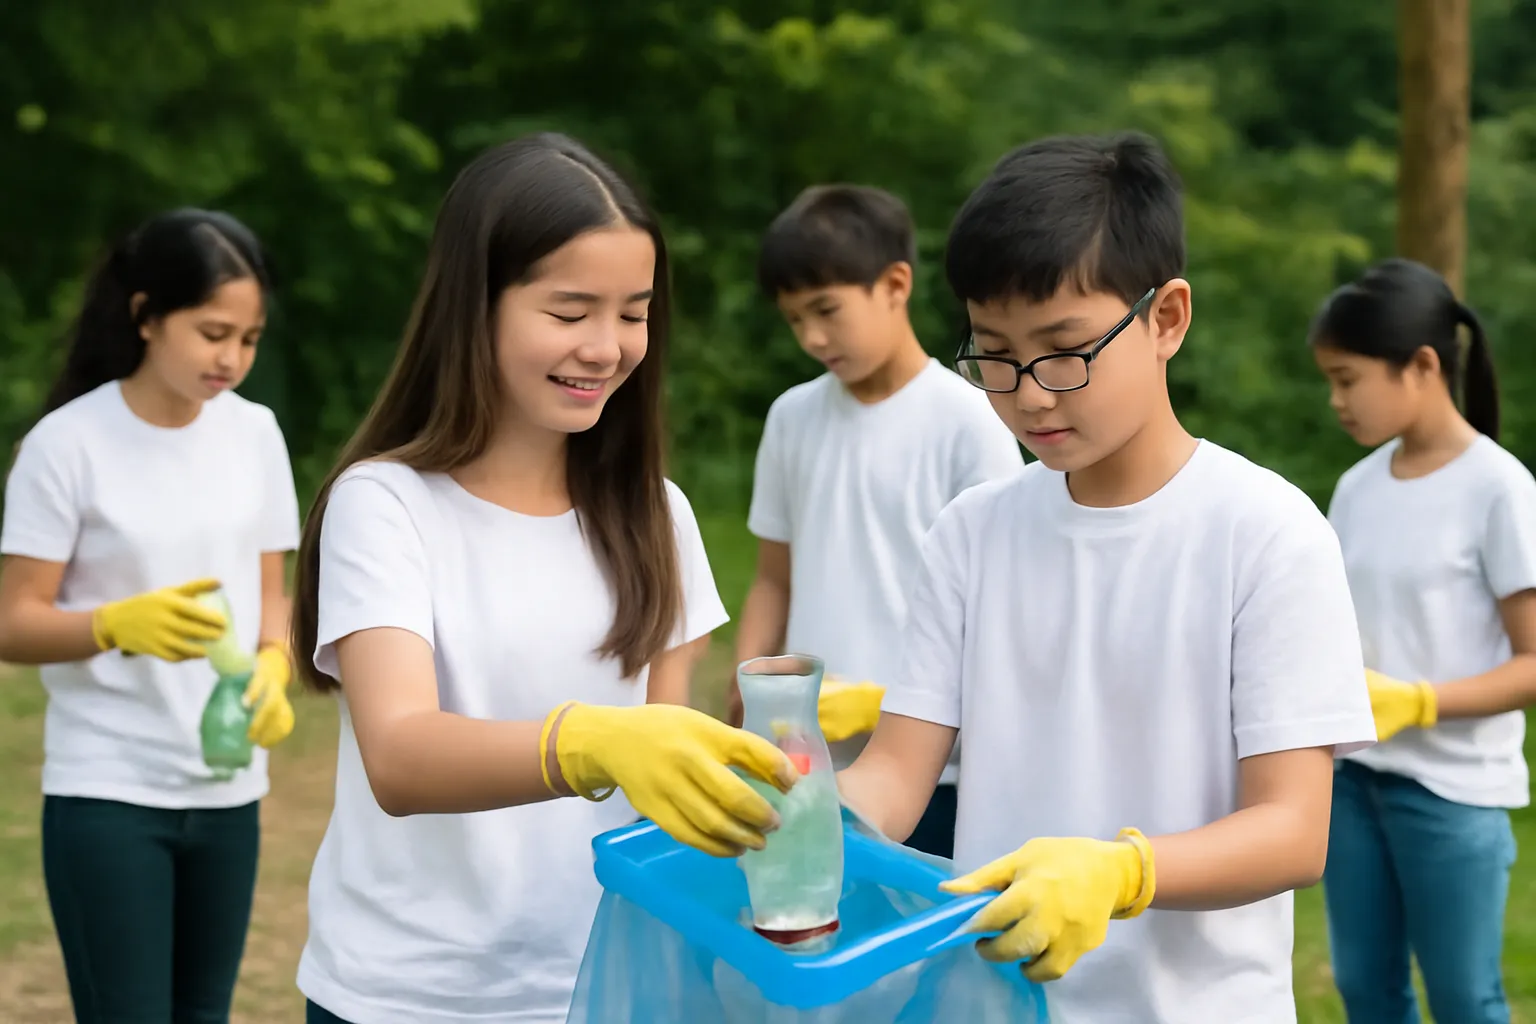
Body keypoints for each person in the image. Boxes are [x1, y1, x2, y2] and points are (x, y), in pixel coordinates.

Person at [836, 132, 1378, 1023]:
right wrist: (804, 825)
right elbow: (897, 773)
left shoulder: (1268, 534)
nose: (1031, 395)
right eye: (996, 356)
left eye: (1063, 351)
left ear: (1166, 318)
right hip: (999, 999)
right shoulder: (973, 533)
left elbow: (1293, 830)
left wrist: (1124, 869)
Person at [289, 133, 797, 1024]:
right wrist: (588, 743)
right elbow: (400, 757)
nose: (606, 347)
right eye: (569, 313)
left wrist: (764, 763)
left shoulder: (658, 514)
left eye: (633, 312)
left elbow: (659, 782)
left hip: (606, 988)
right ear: (472, 306)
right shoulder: (386, 505)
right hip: (408, 1000)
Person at [0, 209, 300, 1023]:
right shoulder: (66, 445)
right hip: (108, 790)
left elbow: (272, 598)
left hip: (230, 791)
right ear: (144, 316)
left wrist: (274, 665)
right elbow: (13, 622)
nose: (232, 359)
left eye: (249, 338)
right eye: (212, 333)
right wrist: (109, 625)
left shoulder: (256, 436)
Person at [730, 184, 1023, 859]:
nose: (812, 336)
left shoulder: (970, 420)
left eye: (826, 310)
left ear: (894, 285)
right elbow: (775, 578)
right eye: (795, 319)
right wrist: (750, 688)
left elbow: (1002, 606)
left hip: (935, 768)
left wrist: (883, 703)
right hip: (806, 757)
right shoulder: (791, 418)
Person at [1311, 258, 1536, 1024]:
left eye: (1349, 378)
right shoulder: (1358, 487)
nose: (1337, 400)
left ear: (1424, 366)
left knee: (1465, 1000)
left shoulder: (1500, 490)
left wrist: (1419, 701)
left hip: (1453, 795)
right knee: (1367, 992)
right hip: (1353, 784)